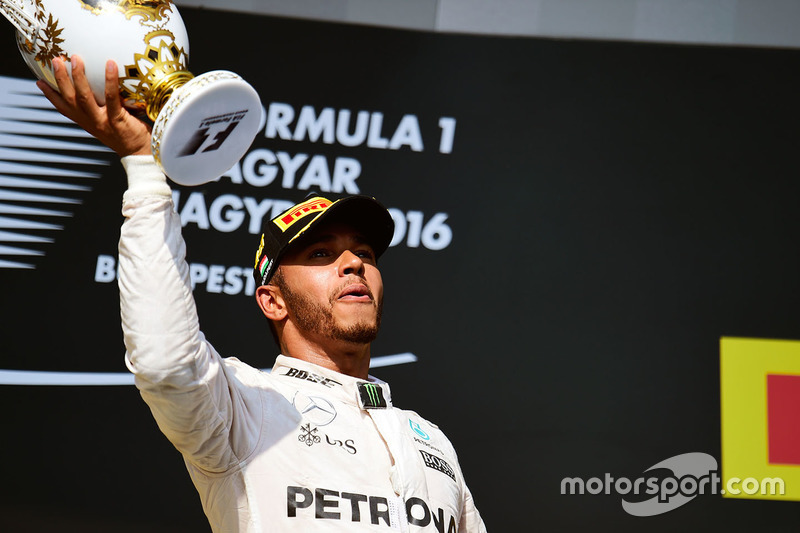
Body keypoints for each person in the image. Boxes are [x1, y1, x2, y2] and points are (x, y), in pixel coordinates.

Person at [38, 54, 487, 532]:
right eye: (320, 254)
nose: (354, 263)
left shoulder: (431, 442)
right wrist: (145, 172)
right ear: (273, 301)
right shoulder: (244, 408)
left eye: (365, 254)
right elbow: (166, 362)